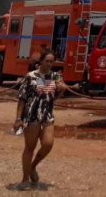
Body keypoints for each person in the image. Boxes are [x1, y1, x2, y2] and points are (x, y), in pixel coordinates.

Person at [15, 48, 66, 188]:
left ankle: (33, 166)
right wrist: (18, 118)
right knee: (29, 147)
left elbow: (55, 96)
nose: (50, 64)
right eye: (47, 61)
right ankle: (25, 179)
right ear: (41, 61)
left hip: (47, 115)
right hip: (31, 115)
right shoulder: (31, 76)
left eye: (52, 61)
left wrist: (61, 89)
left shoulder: (55, 76)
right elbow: (22, 98)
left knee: (48, 144)